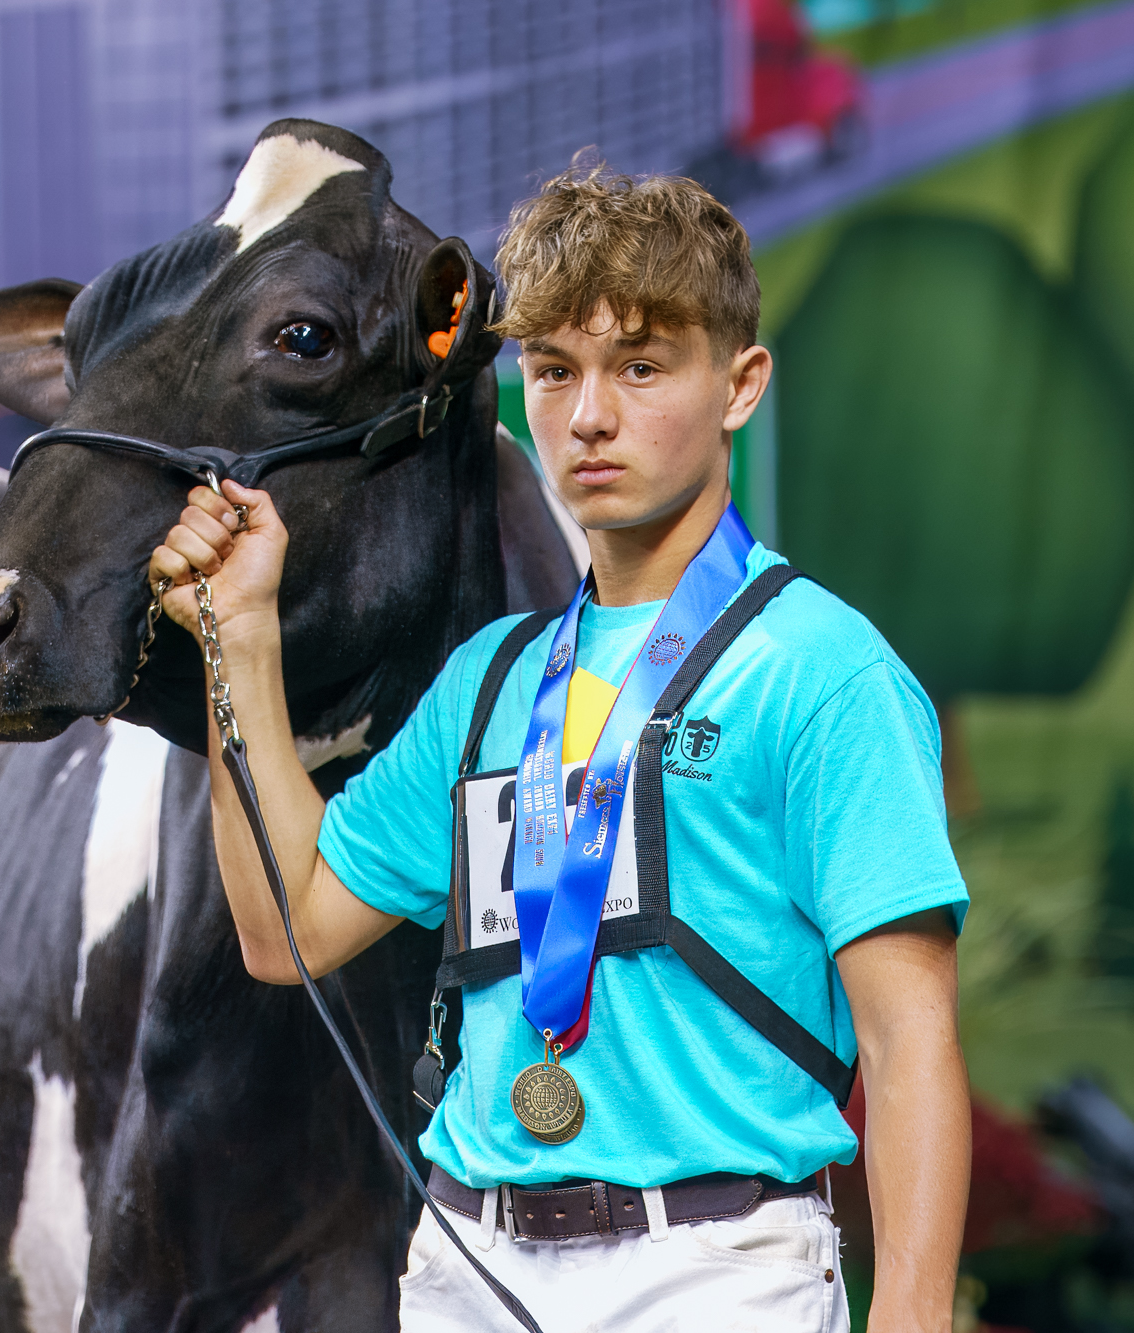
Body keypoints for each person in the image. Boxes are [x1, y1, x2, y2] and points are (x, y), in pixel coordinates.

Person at [147, 165, 971, 1332]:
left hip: (712, 1273)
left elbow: (907, 1040)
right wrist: (237, 639)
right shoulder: (486, 679)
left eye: (639, 366)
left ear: (738, 385)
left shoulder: (820, 671)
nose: (587, 416)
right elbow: (292, 930)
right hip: (465, 1265)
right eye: (551, 370)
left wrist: (913, 1318)